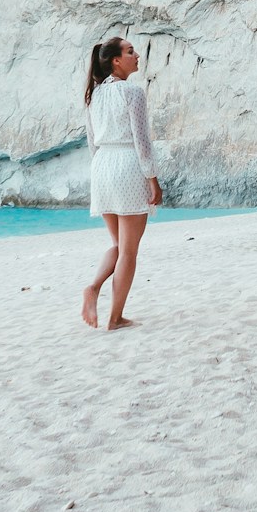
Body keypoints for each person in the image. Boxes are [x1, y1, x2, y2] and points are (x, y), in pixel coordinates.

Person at [81, 37, 162, 330]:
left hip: (102, 166)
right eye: (130, 52)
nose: (136, 55)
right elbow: (142, 142)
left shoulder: (94, 95)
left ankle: (93, 286)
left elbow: (92, 142)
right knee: (128, 251)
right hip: (127, 165)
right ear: (116, 61)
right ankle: (114, 318)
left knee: (118, 245)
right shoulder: (132, 92)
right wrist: (153, 180)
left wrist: (100, 171)